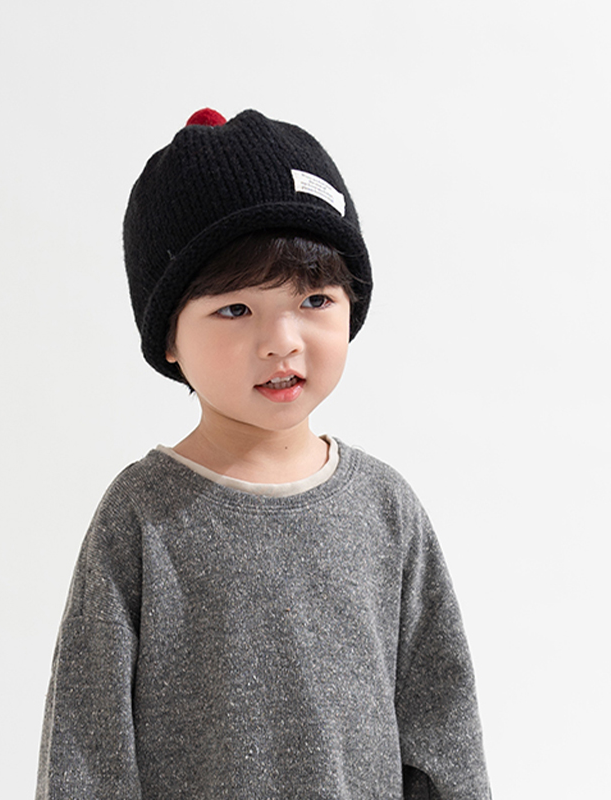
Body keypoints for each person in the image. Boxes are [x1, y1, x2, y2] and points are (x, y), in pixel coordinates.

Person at [36, 108, 491, 800]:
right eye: (235, 309)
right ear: (168, 337)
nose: (282, 340)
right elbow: (86, 752)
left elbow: (443, 732)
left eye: (314, 299)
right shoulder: (142, 519)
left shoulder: (385, 510)